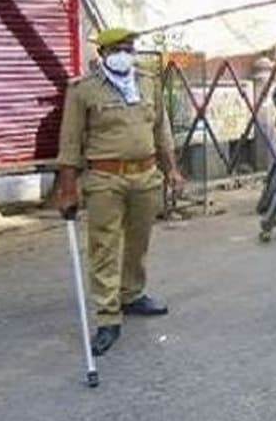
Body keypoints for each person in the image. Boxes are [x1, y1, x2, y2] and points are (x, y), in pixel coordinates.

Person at [56, 27, 185, 356]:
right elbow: (69, 143)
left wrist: (171, 169)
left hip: (145, 176)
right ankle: (107, 316)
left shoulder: (147, 82)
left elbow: (162, 129)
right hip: (105, 179)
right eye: (118, 48)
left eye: (129, 47)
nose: (125, 53)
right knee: (104, 247)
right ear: (103, 53)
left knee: (139, 241)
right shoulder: (83, 90)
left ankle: (132, 295)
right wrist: (68, 189)